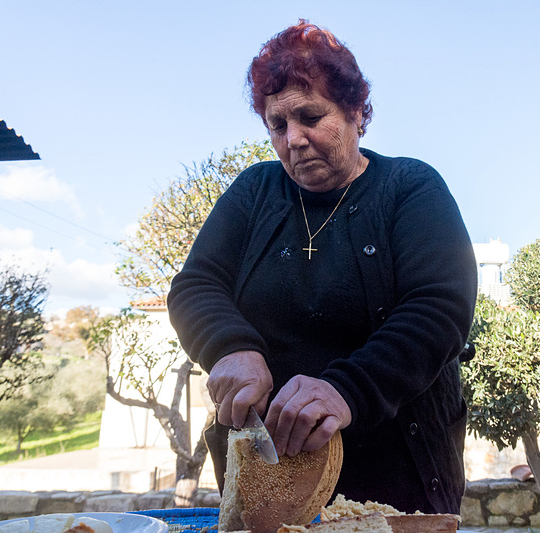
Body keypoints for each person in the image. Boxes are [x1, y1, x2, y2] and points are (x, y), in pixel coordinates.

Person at [167, 20, 477, 515]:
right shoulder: (254, 192)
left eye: (310, 117)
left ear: (356, 112)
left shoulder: (410, 188)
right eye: (277, 125)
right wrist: (229, 348)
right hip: (267, 487)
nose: (294, 139)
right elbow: (196, 286)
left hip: (396, 481)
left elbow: (438, 310)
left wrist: (345, 391)